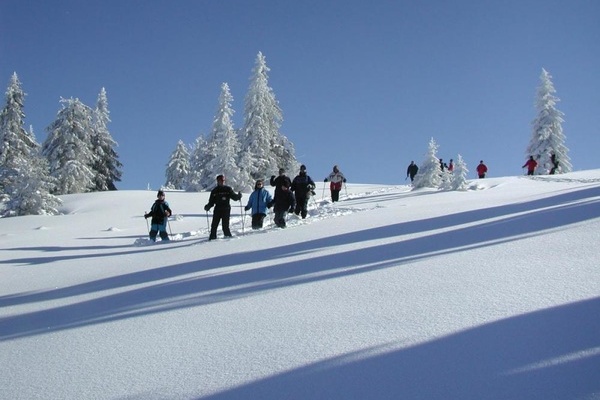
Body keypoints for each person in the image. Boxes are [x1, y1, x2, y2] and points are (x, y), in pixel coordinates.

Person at [204, 174, 242, 240]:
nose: (222, 182)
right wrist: (208, 206)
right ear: (217, 181)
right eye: (220, 181)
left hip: (226, 209)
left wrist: (238, 196)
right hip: (217, 209)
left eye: (223, 181)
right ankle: (212, 238)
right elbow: (211, 202)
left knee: (225, 226)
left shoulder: (228, 189)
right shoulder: (214, 191)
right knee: (214, 225)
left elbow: (234, 197)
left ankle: (228, 238)